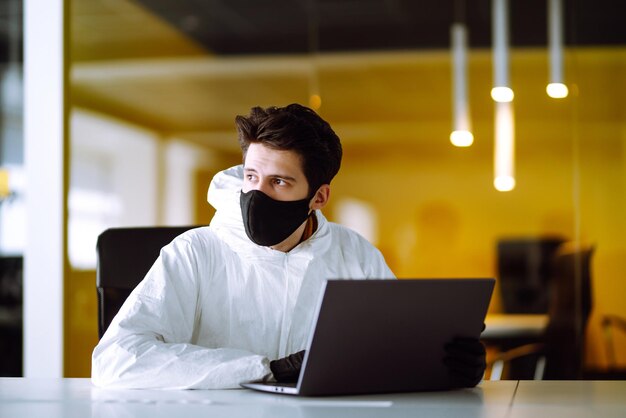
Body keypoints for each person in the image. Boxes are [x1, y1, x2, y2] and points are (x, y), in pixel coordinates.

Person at [91, 103, 485, 389]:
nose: (257, 193)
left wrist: (444, 365)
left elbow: (392, 347)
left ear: (319, 197)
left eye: (279, 182)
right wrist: (267, 369)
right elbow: (117, 360)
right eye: (251, 176)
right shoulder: (196, 251)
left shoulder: (354, 254)